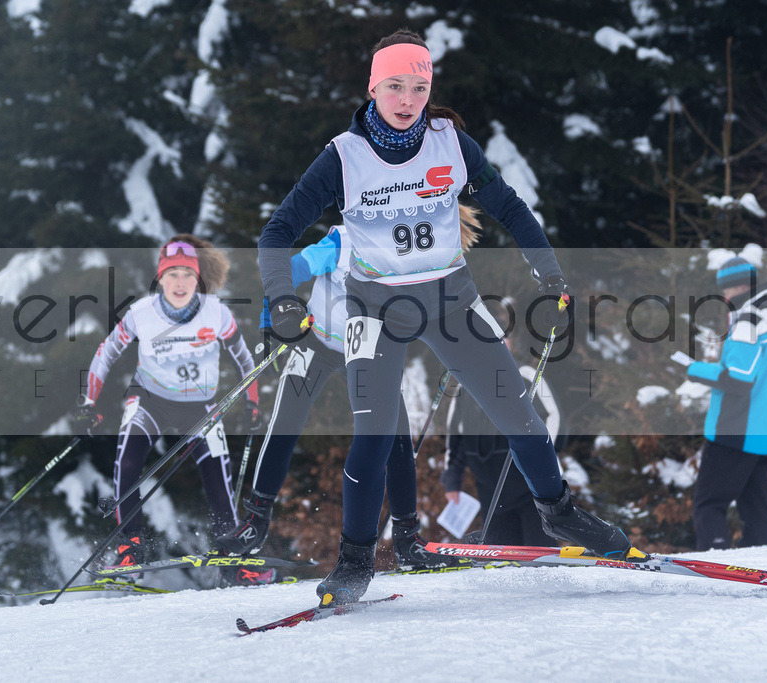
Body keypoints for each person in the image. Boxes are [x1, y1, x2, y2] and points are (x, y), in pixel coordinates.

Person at [256, 29, 638, 605]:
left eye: (418, 86)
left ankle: (558, 512)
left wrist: (550, 271)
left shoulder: (451, 143)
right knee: (374, 435)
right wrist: (284, 299)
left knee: (519, 412)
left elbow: (507, 204)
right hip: (373, 307)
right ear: (374, 87)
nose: (406, 99)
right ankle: (355, 561)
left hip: (449, 299)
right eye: (394, 86)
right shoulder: (342, 156)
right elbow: (277, 232)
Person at [218, 214, 481, 569]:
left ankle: (407, 537)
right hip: (316, 343)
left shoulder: (412, 255)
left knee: (396, 438)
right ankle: (255, 522)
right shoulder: (341, 242)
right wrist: (271, 320)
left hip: (369, 353)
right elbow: (289, 272)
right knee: (285, 422)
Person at [77, 235, 271, 585]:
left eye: (187, 275)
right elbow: (106, 352)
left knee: (218, 475)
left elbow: (245, 360)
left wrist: (252, 401)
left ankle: (234, 559)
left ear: (197, 279)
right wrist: (89, 402)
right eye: (172, 275)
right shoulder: (141, 314)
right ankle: (128, 548)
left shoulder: (218, 313)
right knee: (128, 459)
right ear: (160, 279)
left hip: (201, 407)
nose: (179, 283)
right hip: (150, 400)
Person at [680, 256, 767, 550]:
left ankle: (714, 560)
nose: (724, 297)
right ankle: (762, 567)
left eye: (727, 291)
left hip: (736, 428)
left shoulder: (749, 320)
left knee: (709, 504)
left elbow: (739, 380)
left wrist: (693, 369)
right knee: (757, 507)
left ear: (742, 286)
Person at [442, 335, 564, 545]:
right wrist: (452, 480)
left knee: (542, 556)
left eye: (499, 340)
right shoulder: (464, 387)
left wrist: (539, 458)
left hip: (531, 486)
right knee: (501, 558)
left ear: (508, 344)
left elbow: (555, 419)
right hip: (490, 490)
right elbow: (457, 438)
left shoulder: (526, 376)